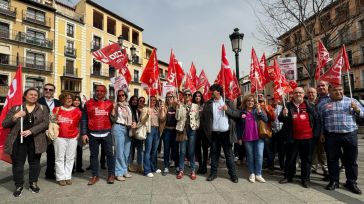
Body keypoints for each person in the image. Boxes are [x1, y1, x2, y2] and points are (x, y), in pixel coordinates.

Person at [3, 88, 49, 197]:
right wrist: (16, 116)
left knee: (34, 163)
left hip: (36, 140)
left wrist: (31, 131)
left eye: (35, 95)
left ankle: (33, 183)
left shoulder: (43, 108)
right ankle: (18, 185)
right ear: (25, 96)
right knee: (18, 164)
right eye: (30, 94)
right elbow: (5, 124)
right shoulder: (16, 108)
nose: (33, 96)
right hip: (18, 141)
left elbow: (45, 123)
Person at [318, 85, 363, 194]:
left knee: (351, 160)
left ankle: (351, 182)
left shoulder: (352, 101)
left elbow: (363, 114)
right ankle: (334, 181)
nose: (338, 92)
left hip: (349, 134)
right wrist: (321, 133)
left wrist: (357, 110)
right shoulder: (323, 104)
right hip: (331, 136)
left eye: (340, 90)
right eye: (335, 90)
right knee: (332, 159)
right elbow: (321, 121)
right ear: (330, 92)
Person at [279, 87, 319, 188]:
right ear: (292, 94)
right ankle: (288, 176)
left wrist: (315, 135)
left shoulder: (309, 105)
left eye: (300, 92)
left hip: (308, 138)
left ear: (303, 94)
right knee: (290, 159)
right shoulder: (287, 105)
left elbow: (317, 119)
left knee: (306, 160)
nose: (298, 94)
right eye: (296, 92)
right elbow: (280, 119)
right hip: (292, 138)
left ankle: (305, 179)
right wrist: (284, 115)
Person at [202, 84, 238, 183]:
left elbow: (236, 114)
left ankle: (233, 175)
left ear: (218, 91)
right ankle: (213, 174)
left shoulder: (228, 101)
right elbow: (204, 118)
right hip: (214, 134)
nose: (210, 93)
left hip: (226, 133)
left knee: (229, 154)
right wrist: (207, 130)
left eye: (212, 91)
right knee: (214, 154)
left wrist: (228, 110)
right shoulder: (208, 103)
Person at [81, 84, 115, 185]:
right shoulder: (88, 103)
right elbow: (84, 119)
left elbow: (114, 119)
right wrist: (83, 133)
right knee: (93, 156)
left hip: (106, 133)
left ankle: (111, 175)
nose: (99, 92)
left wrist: (114, 111)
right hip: (93, 133)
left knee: (110, 155)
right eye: (97, 90)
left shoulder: (110, 104)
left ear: (105, 93)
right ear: (95, 91)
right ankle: (95, 175)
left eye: (102, 91)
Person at [235, 95, 268, 183]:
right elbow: (238, 126)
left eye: (252, 101)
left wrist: (260, 110)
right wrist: (239, 138)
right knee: (250, 156)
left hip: (259, 137)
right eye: (249, 101)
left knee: (259, 156)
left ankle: (258, 174)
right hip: (247, 137)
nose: (250, 102)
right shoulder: (242, 112)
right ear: (245, 102)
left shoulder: (257, 110)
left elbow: (266, 119)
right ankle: (252, 173)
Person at [53, 93, 82, 186]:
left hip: (73, 137)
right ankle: (60, 177)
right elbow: (51, 122)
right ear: (62, 99)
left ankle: (68, 176)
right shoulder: (56, 109)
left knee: (70, 157)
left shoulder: (78, 111)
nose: (69, 100)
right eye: (66, 98)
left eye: (70, 98)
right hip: (59, 137)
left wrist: (79, 133)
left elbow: (81, 123)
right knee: (59, 158)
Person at [38, 83, 62, 180]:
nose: (48, 91)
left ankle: (49, 173)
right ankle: (34, 175)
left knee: (52, 153)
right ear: (43, 90)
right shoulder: (38, 101)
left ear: (54, 91)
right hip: (40, 131)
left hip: (54, 131)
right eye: (46, 89)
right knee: (37, 154)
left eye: (50, 90)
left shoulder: (58, 102)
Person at [175, 89, 200, 180]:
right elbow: (177, 118)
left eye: (189, 95)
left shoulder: (195, 106)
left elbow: (197, 118)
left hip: (192, 130)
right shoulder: (180, 105)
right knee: (182, 151)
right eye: (186, 95)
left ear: (191, 96)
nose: (187, 96)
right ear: (184, 96)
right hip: (183, 130)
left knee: (191, 151)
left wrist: (197, 126)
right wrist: (178, 108)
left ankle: (192, 170)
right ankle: (181, 170)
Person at [111, 90, 133, 182]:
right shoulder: (116, 105)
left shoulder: (128, 106)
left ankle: (124, 170)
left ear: (126, 96)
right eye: (119, 95)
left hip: (127, 128)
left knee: (126, 152)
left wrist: (133, 123)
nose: (121, 96)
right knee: (119, 151)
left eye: (123, 95)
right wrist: (113, 108)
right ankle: (118, 173)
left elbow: (131, 117)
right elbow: (112, 118)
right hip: (118, 127)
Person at [143, 96, 164, 178]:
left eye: (154, 100)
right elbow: (142, 120)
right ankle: (147, 170)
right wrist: (147, 116)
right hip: (150, 130)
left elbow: (162, 119)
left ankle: (153, 167)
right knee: (148, 150)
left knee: (154, 150)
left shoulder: (157, 109)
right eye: (151, 100)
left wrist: (162, 110)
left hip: (157, 130)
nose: (152, 101)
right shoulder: (146, 109)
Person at [160, 92, 178, 176]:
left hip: (175, 131)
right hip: (166, 130)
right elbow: (162, 119)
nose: (169, 98)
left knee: (175, 149)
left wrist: (179, 105)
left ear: (173, 97)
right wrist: (162, 110)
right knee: (166, 149)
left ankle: (177, 165)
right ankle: (166, 166)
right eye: (167, 97)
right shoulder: (164, 107)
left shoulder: (176, 106)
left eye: (171, 97)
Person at [193, 91, 208, 174]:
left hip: (204, 130)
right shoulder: (192, 106)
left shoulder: (205, 105)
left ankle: (205, 166)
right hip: (196, 130)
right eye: (196, 96)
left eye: (199, 96)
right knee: (197, 149)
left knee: (205, 149)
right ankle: (200, 165)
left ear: (201, 97)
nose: (197, 97)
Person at [128, 96, 144, 173]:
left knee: (140, 150)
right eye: (133, 100)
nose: (135, 101)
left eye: (136, 100)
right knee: (131, 150)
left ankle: (140, 166)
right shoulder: (129, 109)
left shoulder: (138, 111)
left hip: (138, 132)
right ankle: (130, 165)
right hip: (131, 133)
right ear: (130, 101)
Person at [270, 99, 285, 171]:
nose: (274, 102)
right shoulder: (269, 108)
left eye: (275, 100)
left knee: (281, 149)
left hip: (281, 131)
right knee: (272, 149)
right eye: (272, 100)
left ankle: (282, 165)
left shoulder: (282, 107)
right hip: (272, 131)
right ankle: (271, 166)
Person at [73, 96, 85, 173]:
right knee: (71, 151)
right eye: (75, 100)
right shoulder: (69, 109)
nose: (77, 102)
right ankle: (71, 167)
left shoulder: (82, 110)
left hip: (80, 132)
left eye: (78, 100)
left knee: (79, 150)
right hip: (71, 132)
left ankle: (79, 167)